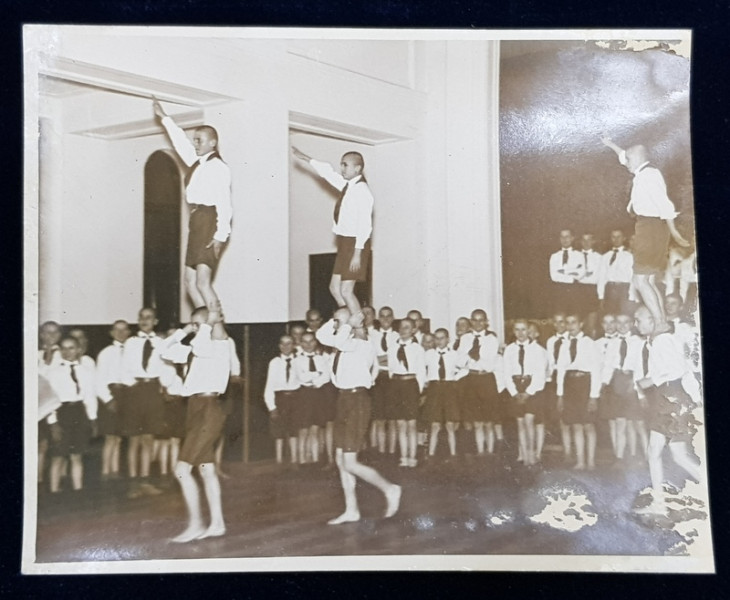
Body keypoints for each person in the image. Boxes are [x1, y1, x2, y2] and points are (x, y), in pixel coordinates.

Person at [316, 308, 401, 524]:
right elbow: (321, 336)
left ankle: (390, 488)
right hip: (343, 400)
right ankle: (351, 509)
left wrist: (347, 324)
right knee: (340, 459)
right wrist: (336, 322)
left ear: (354, 324)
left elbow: (340, 341)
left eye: (340, 321)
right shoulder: (341, 343)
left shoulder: (360, 344)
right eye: (335, 321)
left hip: (357, 401)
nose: (336, 325)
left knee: (350, 462)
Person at [601, 138, 690, 333]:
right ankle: (663, 321)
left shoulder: (649, 175)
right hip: (650, 228)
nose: (626, 163)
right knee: (647, 280)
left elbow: (664, 205)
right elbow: (624, 157)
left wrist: (675, 232)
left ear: (639, 159)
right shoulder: (641, 172)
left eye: (629, 160)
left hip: (650, 228)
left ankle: (660, 323)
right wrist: (611, 144)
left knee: (640, 281)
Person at [153, 99, 232, 313]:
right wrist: (164, 118)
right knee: (189, 282)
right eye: (195, 140)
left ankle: (217, 328)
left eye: (199, 140)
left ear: (212, 143)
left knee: (202, 282)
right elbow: (181, 144)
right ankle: (204, 323)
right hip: (197, 220)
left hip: (209, 221)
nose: (195, 144)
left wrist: (221, 235)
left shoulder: (218, 167)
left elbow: (225, 203)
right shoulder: (198, 162)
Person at [161, 307, 231, 542]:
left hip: (209, 409)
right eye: (194, 324)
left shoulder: (220, 345)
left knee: (181, 470)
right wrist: (184, 330)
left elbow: (203, 343)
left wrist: (207, 324)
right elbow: (163, 350)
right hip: (194, 409)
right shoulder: (193, 349)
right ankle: (218, 523)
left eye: (199, 324)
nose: (196, 328)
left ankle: (196, 524)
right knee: (206, 470)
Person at [632, 305, 702, 516]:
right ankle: (660, 503)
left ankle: (660, 504)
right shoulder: (655, 341)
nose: (636, 324)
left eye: (638, 319)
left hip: (670, 398)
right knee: (675, 455)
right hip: (670, 398)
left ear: (652, 320)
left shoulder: (663, 340)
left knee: (656, 452)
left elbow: (677, 370)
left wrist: (650, 381)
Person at [292, 146, 374, 316]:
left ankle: (361, 330)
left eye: (345, 165)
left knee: (346, 291)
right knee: (334, 289)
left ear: (357, 168)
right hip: (344, 243)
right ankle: (348, 321)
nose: (342, 169)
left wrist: (358, 253)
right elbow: (328, 174)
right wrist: (308, 159)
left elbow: (365, 225)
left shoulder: (362, 191)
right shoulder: (347, 186)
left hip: (355, 244)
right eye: (341, 165)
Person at [120, 307, 167, 498]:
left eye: (149, 317)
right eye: (141, 317)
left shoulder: (162, 342)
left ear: (155, 321)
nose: (144, 320)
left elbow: (166, 368)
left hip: (153, 391)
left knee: (148, 438)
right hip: (135, 391)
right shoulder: (131, 342)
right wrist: (133, 386)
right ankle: (133, 483)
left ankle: (145, 481)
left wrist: (165, 387)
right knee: (134, 439)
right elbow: (123, 368)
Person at [45, 336, 98, 493]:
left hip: (79, 413)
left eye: (72, 348)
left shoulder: (86, 371)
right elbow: (49, 399)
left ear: (79, 350)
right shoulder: (53, 373)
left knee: (77, 455)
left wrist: (93, 419)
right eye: (64, 348)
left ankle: (78, 490)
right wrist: (53, 422)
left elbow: (90, 396)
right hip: (62, 413)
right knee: (58, 455)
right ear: (60, 351)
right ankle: (54, 491)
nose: (68, 352)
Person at [600, 313, 647, 465]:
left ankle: (647, 457)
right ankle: (619, 458)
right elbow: (608, 365)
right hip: (616, 384)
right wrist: (603, 384)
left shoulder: (639, 342)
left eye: (625, 322)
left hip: (633, 382)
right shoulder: (613, 343)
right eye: (618, 322)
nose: (621, 325)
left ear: (632, 323)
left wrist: (636, 387)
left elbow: (640, 367)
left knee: (638, 424)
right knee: (620, 423)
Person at [555, 314, 601, 470]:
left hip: (585, 384)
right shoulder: (564, 344)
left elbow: (596, 371)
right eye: (567, 323)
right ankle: (580, 461)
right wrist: (560, 395)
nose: (570, 326)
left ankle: (591, 461)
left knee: (588, 424)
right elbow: (561, 371)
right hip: (570, 385)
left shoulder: (589, 343)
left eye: (573, 322)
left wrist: (593, 396)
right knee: (575, 424)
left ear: (581, 324)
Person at [503, 320, 549, 466]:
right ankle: (523, 454)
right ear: (513, 331)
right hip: (516, 386)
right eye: (517, 330)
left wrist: (528, 392)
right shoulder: (509, 349)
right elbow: (506, 373)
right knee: (520, 422)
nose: (520, 333)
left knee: (530, 420)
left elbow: (540, 374)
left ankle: (532, 454)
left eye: (523, 330)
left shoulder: (537, 350)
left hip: (532, 387)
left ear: (529, 331)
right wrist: (514, 392)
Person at [456, 309, 501, 456]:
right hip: (472, 379)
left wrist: (471, 357)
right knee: (476, 421)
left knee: (488, 420)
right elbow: (459, 362)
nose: (478, 323)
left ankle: (490, 451)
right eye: (474, 320)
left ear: (486, 322)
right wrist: (474, 359)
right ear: (471, 322)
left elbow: (489, 365)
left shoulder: (491, 339)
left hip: (486, 379)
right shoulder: (465, 339)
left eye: (481, 320)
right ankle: (481, 452)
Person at [387, 317, 427, 467]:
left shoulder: (418, 349)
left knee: (411, 424)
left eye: (407, 327)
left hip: (411, 385)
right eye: (402, 327)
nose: (403, 330)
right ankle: (403, 457)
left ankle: (413, 457)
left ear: (414, 330)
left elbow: (421, 372)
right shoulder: (392, 348)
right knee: (400, 423)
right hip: (396, 385)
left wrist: (418, 391)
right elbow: (391, 369)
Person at [95, 319, 131, 481]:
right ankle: (104, 471)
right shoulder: (106, 353)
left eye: (124, 330)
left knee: (118, 437)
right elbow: (99, 380)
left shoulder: (133, 350)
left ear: (129, 332)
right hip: (111, 394)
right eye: (117, 330)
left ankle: (114, 471)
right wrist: (108, 400)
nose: (121, 333)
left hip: (126, 395)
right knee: (110, 436)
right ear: (111, 333)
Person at [263, 335, 301, 466]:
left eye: (289, 343)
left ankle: (294, 460)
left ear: (294, 345)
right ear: (279, 346)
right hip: (280, 398)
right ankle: (279, 461)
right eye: (283, 344)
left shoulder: (298, 361)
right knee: (278, 431)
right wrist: (271, 407)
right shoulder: (274, 362)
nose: (286, 347)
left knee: (294, 430)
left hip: (295, 398)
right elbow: (269, 386)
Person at [293, 331, 331, 465]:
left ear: (315, 342)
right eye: (305, 341)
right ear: (300, 343)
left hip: (318, 395)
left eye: (311, 341)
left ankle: (315, 460)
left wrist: (314, 379)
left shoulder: (322, 359)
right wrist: (317, 374)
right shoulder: (296, 360)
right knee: (303, 429)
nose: (308, 345)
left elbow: (326, 376)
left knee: (315, 428)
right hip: (304, 395)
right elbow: (301, 377)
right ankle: (302, 460)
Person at [424, 328, 461, 459]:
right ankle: (431, 455)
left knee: (450, 425)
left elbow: (466, 368)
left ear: (447, 339)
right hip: (434, 389)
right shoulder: (429, 354)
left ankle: (453, 455)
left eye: (442, 338)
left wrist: (454, 378)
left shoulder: (454, 354)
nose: (439, 341)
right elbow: (421, 369)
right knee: (435, 425)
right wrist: (425, 381)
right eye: (437, 338)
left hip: (449, 389)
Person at [369, 306, 398, 454]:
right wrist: (387, 358)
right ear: (378, 318)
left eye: (388, 316)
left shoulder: (398, 337)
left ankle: (392, 452)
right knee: (378, 418)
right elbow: (370, 359)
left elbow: (397, 360)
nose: (385, 319)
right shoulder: (371, 336)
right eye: (382, 316)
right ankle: (380, 452)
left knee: (392, 419)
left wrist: (382, 359)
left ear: (393, 318)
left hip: (393, 379)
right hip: (377, 378)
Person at [546, 313, 570, 462]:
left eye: (562, 322)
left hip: (569, 379)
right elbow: (549, 362)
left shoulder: (571, 340)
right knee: (556, 414)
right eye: (556, 322)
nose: (559, 325)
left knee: (568, 415)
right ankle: (563, 448)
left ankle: (570, 450)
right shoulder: (550, 341)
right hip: (553, 379)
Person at [597, 229, 635, 317]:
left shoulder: (629, 256)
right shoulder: (605, 256)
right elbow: (601, 277)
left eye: (619, 237)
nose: (616, 239)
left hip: (624, 290)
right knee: (610, 316)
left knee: (623, 316)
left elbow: (632, 277)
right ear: (610, 239)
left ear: (624, 238)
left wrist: (631, 296)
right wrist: (601, 296)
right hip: (610, 290)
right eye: (613, 237)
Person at [549, 229, 585, 316]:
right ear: (559, 239)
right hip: (559, 291)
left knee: (574, 316)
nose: (565, 239)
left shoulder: (579, 255)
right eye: (562, 237)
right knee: (560, 316)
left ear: (572, 238)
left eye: (567, 237)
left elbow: (580, 274)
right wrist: (572, 273)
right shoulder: (554, 256)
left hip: (574, 290)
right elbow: (554, 276)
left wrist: (563, 271)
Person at [576, 233, 601, 337]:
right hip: (577, 291)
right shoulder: (574, 256)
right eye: (584, 240)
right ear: (580, 242)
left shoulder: (599, 257)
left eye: (589, 240)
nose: (586, 243)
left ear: (593, 241)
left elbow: (599, 277)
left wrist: (600, 296)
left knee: (591, 325)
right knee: (578, 324)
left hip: (592, 291)